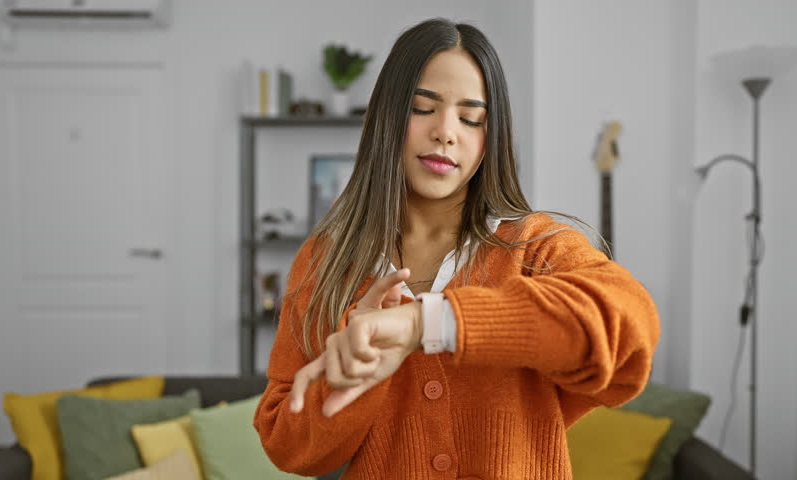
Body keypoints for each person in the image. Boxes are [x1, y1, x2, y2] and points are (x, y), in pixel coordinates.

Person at [253, 17, 659, 480]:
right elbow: (286, 448)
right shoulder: (326, 261)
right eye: (423, 108)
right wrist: (350, 380)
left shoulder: (535, 247)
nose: (446, 132)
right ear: (386, 117)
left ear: (491, 139)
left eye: (471, 118)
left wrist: (428, 323)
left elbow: (631, 335)